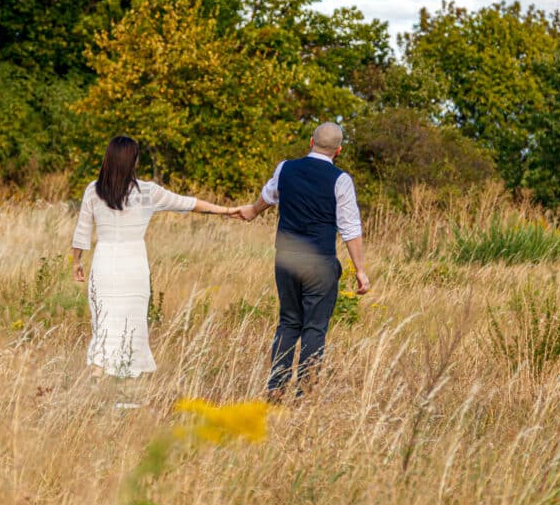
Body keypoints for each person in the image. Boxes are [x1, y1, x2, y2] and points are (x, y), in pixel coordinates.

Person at [71, 136, 239, 386]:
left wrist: (77, 262)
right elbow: (189, 204)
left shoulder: (93, 190)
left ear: (108, 158)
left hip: (104, 263)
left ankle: (98, 377)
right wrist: (227, 211)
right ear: (134, 161)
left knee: (104, 323)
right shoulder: (148, 192)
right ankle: (126, 386)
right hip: (134, 266)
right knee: (131, 324)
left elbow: (82, 231)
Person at [237, 122, 371, 400]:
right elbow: (350, 227)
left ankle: (276, 387)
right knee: (314, 327)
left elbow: (268, 196)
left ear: (311, 142)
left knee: (288, 322)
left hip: (285, 258)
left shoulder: (285, 167)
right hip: (319, 261)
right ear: (339, 150)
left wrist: (252, 211)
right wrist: (359, 270)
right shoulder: (341, 179)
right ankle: (304, 393)